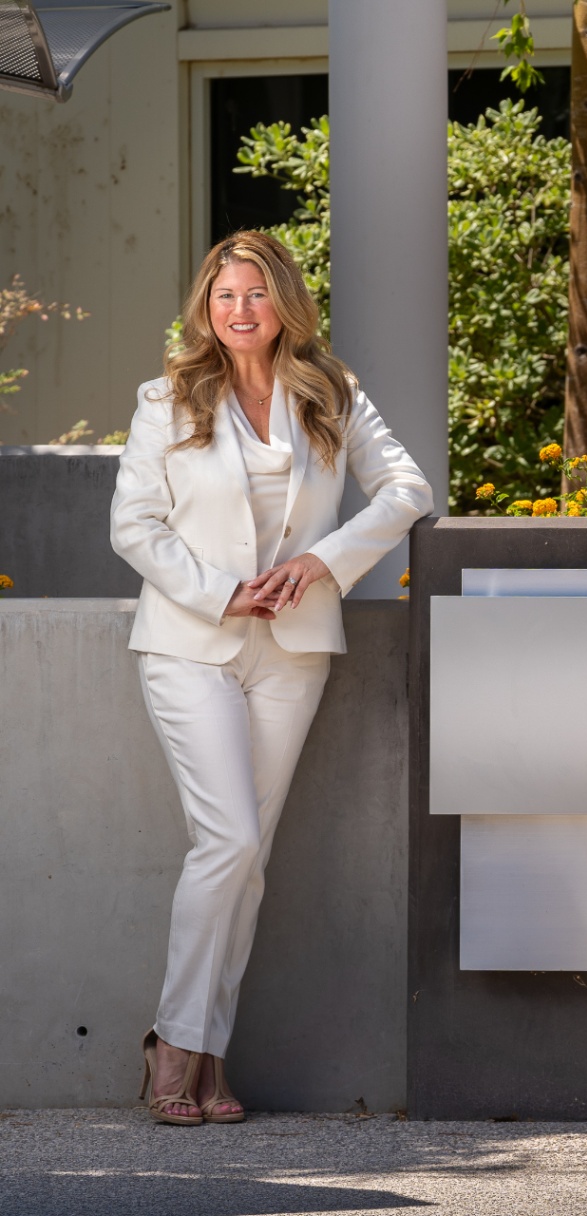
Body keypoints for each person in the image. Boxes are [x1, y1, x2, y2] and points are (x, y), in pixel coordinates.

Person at [110, 231, 433, 1124]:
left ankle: (208, 1059)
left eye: (254, 294)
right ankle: (174, 1047)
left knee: (248, 860)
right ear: (204, 309)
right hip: (191, 641)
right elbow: (134, 528)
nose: (239, 310)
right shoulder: (167, 399)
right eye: (223, 297)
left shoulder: (332, 395)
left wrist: (326, 563)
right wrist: (224, 594)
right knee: (231, 842)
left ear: (283, 302)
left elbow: (409, 490)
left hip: (292, 650)